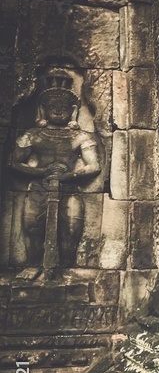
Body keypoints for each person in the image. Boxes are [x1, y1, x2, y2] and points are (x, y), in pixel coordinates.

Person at [10, 76, 100, 268]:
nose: (58, 111)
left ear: (73, 111)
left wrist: (70, 175)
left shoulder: (81, 136)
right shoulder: (33, 135)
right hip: (39, 188)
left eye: (63, 107)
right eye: (53, 106)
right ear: (43, 109)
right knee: (32, 230)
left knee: (71, 232)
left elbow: (94, 166)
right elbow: (15, 163)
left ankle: (66, 270)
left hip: (70, 189)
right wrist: (42, 172)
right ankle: (33, 268)